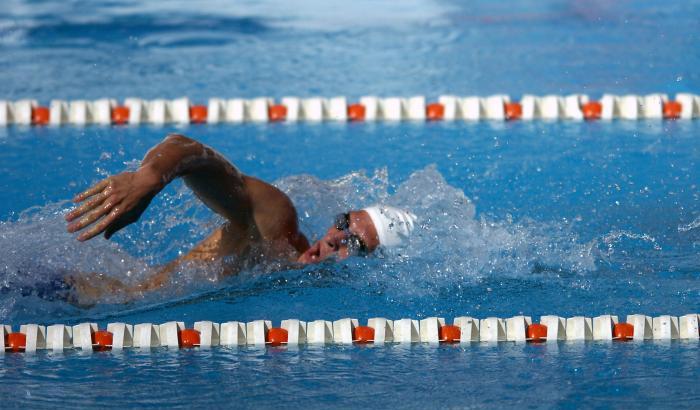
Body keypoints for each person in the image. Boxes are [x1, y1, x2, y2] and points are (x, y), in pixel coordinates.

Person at [64, 134, 416, 304]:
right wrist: (151, 177)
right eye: (343, 223)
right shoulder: (278, 229)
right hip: (70, 294)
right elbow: (187, 147)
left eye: (354, 243)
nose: (334, 238)